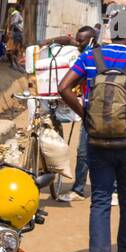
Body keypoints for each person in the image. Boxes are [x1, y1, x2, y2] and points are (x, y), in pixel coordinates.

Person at [58, 6, 126, 252]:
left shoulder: (90, 57)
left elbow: (64, 87)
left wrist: (87, 116)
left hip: (96, 141)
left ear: (111, 31)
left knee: (99, 201)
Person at [49, 26, 98, 203]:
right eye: (77, 40)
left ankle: (84, 189)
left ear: (92, 40)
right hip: (89, 107)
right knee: (84, 151)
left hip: (97, 110)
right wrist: (49, 42)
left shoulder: (93, 57)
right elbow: (66, 40)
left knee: (91, 150)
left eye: (81, 41)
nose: (78, 44)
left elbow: (69, 84)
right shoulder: (83, 52)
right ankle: (79, 188)